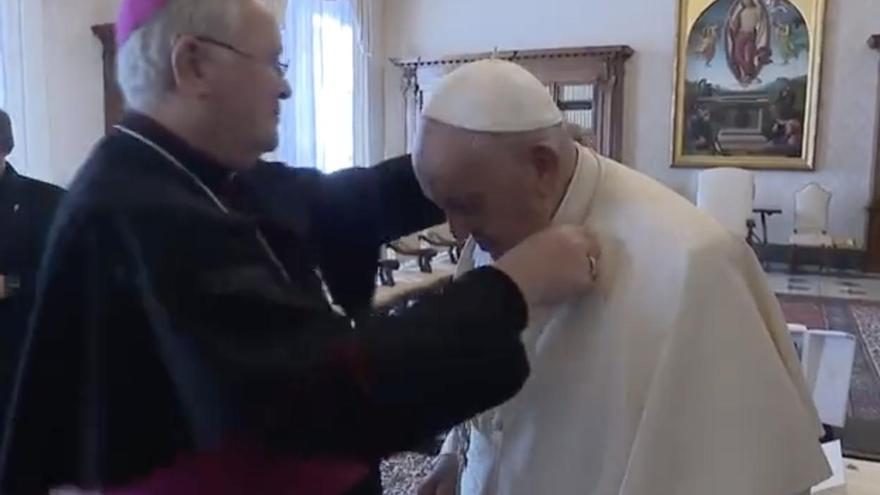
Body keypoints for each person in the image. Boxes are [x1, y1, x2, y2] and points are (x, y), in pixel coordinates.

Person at [0, 2, 601, 495]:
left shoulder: (199, 176)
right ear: (194, 66)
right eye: (274, 62)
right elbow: (319, 393)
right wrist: (516, 287)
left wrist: (485, 156)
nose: (287, 87)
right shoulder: (134, 211)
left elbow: (350, 200)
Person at [415, 59, 830, 495]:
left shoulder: (695, 264)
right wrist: (455, 456)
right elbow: (490, 394)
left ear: (541, 167)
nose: (457, 232)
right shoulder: (491, 231)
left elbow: (742, 473)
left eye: (466, 206)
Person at [0, 109, 64, 433]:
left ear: (4, 148)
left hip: (19, 359)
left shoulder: (47, 202)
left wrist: (10, 284)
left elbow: (67, 279)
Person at [725, 0, 772, 85]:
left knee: (749, 56)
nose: (746, 1)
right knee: (738, 55)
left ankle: (750, 74)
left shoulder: (756, 10)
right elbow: (736, 24)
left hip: (750, 35)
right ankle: (746, 74)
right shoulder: (741, 11)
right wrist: (733, 25)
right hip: (741, 34)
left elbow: (760, 16)